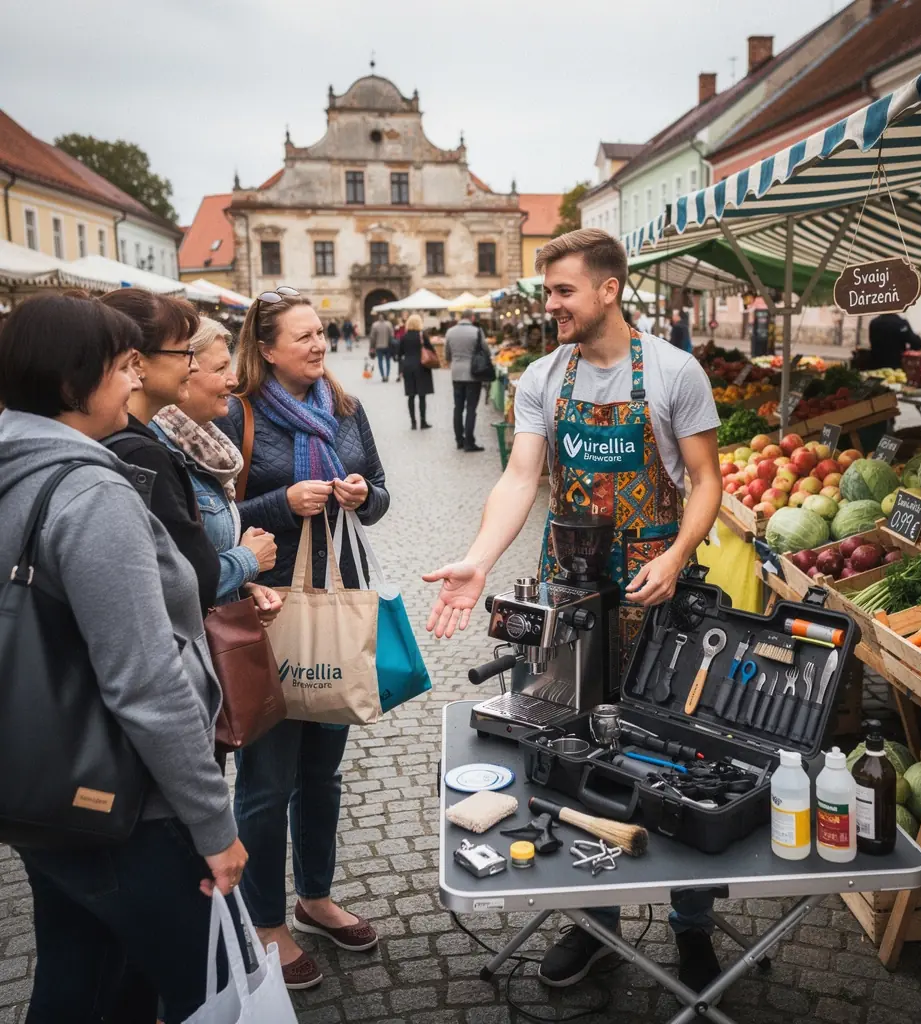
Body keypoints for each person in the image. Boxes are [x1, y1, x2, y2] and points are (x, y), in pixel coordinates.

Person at [423, 228, 723, 996]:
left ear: (608, 289)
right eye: (548, 290)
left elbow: (705, 481)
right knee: (573, 751)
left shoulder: (673, 373)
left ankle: (694, 931)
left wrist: (678, 555)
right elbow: (522, 479)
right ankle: (594, 923)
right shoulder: (540, 378)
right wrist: (480, 560)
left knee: (680, 755)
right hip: (571, 593)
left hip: (658, 596)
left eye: (562, 290)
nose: (550, 303)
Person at [0, 293, 247, 1023]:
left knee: (80, 981)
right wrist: (214, 825)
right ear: (77, 382)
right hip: (131, 803)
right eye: (123, 368)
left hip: (44, 786)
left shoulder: (14, 465)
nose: (134, 383)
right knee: (218, 989)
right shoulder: (90, 491)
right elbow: (146, 680)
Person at [217, 286, 390, 991]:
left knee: (322, 773)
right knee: (266, 783)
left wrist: (360, 496)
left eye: (321, 333)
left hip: (334, 608)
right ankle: (266, 924)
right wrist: (278, 503)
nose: (319, 346)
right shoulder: (237, 414)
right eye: (303, 337)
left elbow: (379, 494)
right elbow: (214, 515)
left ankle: (314, 897)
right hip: (266, 612)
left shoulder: (346, 409)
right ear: (265, 349)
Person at [100, 288, 221, 615]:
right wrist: (245, 560)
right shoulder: (142, 454)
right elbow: (195, 578)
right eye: (185, 353)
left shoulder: (112, 436)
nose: (193, 367)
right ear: (138, 362)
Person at [150, 316, 282, 613]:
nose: (233, 379)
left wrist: (241, 588)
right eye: (221, 368)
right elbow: (171, 582)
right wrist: (247, 560)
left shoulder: (205, 444)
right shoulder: (156, 452)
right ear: (185, 370)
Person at [445, 311, 486, 452]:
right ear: (472, 317)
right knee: (471, 409)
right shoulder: (477, 331)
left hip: (456, 374)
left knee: (458, 408)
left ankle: (459, 440)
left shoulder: (450, 332)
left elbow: (447, 354)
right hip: (473, 374)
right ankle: (469, 442)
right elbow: (485, 350)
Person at [400, 313, 434, 429]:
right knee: (422, 395)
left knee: (411, 396)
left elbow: (399, 353)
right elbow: (431, 349)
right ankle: (423, 422)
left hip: (408, 367)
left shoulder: (404, 337)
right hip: (421, 367)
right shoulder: (422, 335)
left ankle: (413, 423)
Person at [369, 313, 394, 381]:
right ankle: (387, 375)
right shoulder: (389, 324)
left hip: (378, 346)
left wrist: (371, 347)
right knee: (388, 361)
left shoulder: (375, 325)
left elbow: (372, 338)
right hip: (387, 346)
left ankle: (383, 376)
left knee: (380, 361)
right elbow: (392, 335)